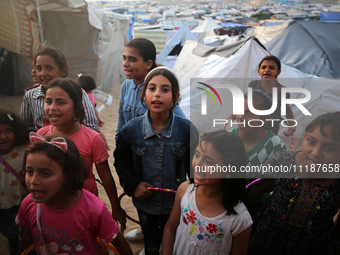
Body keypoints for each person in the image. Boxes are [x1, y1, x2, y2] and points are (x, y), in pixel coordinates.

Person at [114, 66, 198, 255]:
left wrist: (191, 195)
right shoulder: (129, 131)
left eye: (165, 89)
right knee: (151, 243)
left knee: (174, 242)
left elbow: (194, 168)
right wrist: (134, 184)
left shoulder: (187, 130)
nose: (157, 94)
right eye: (152, 89)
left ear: (175, 97)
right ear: (144, 95)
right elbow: (121, 163)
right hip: (145, 204)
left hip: (176, 205)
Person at [116, 38, 186, 243]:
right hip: (136, 155)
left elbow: (180, 122)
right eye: (124, 58)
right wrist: (123, 155)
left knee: (162, 200)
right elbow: (121, 122)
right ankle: (146, 231)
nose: (125, 63)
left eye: (132, 59)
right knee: (141, 197)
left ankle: (158, 238)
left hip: (160, 155)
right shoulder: (126, 87)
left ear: (148, 64)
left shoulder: (160, 88)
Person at [16, 133, 133, 255]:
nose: (33, 181)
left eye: (45, 173)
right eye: (29, 171)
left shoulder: (93, 210)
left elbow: (119, 243)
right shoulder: (28, 204)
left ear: (67, 174)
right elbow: (29, 234)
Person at [36, 78, 126, 229]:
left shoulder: (93, 139)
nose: (52, 107)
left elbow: (105, 177)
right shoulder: (41, 136)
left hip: (85, 208)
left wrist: (115, 208)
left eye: (61, 102)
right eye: (48, 101)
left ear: (77, 107)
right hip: (51, 205)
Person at [248, 112, 340, 254]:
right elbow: (256, 182)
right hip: (268, 235)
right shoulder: (283, 160)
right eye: (312, 141)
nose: (316, 152)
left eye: (330, 148)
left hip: (314, 244)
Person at [161, 130, 252, 255]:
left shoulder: (240, 220)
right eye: (197, 155)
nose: (197, 164)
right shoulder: (184, 191)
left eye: (208, 161)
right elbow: (170, 229)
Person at [231, 89, 286, 217]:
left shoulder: (275, 145)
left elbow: (275, 180)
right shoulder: (227, 138)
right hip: (225, 201)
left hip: (255, 207)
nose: (241, 116)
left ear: (265, 118)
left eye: (249, 113)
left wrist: (246, 194)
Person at [20, 45, 99, 132]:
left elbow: (91, 127)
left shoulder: (78, 93)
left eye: (49, 68)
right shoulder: (30, 96)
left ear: (63, 71)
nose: (43, 73)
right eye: (39, 68)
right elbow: (25, 127)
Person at [0, 110, 29, 255]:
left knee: (21, 237)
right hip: (2, 206)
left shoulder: (25, 153)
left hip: (22, 205)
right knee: (9, 234)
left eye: (8, 131)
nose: (3, 137)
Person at [248, 55, 295, 136]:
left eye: (272, 68)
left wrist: (292, 126)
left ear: (278, 72)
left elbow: (287, 110)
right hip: (253, 127)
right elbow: (246, 103)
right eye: (264, 67)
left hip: (271, 131)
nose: (267, 70)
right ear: (259, 71)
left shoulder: (283, 91)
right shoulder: (253, 85)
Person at [77, 74, 108, 149]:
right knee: (98, 131)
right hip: (93, 116)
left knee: (97, 132)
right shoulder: (89, 93)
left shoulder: (87, 96)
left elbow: (93, 108)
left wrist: (98, 119)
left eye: (78, 82)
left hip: (91, 117)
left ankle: (105, 145)